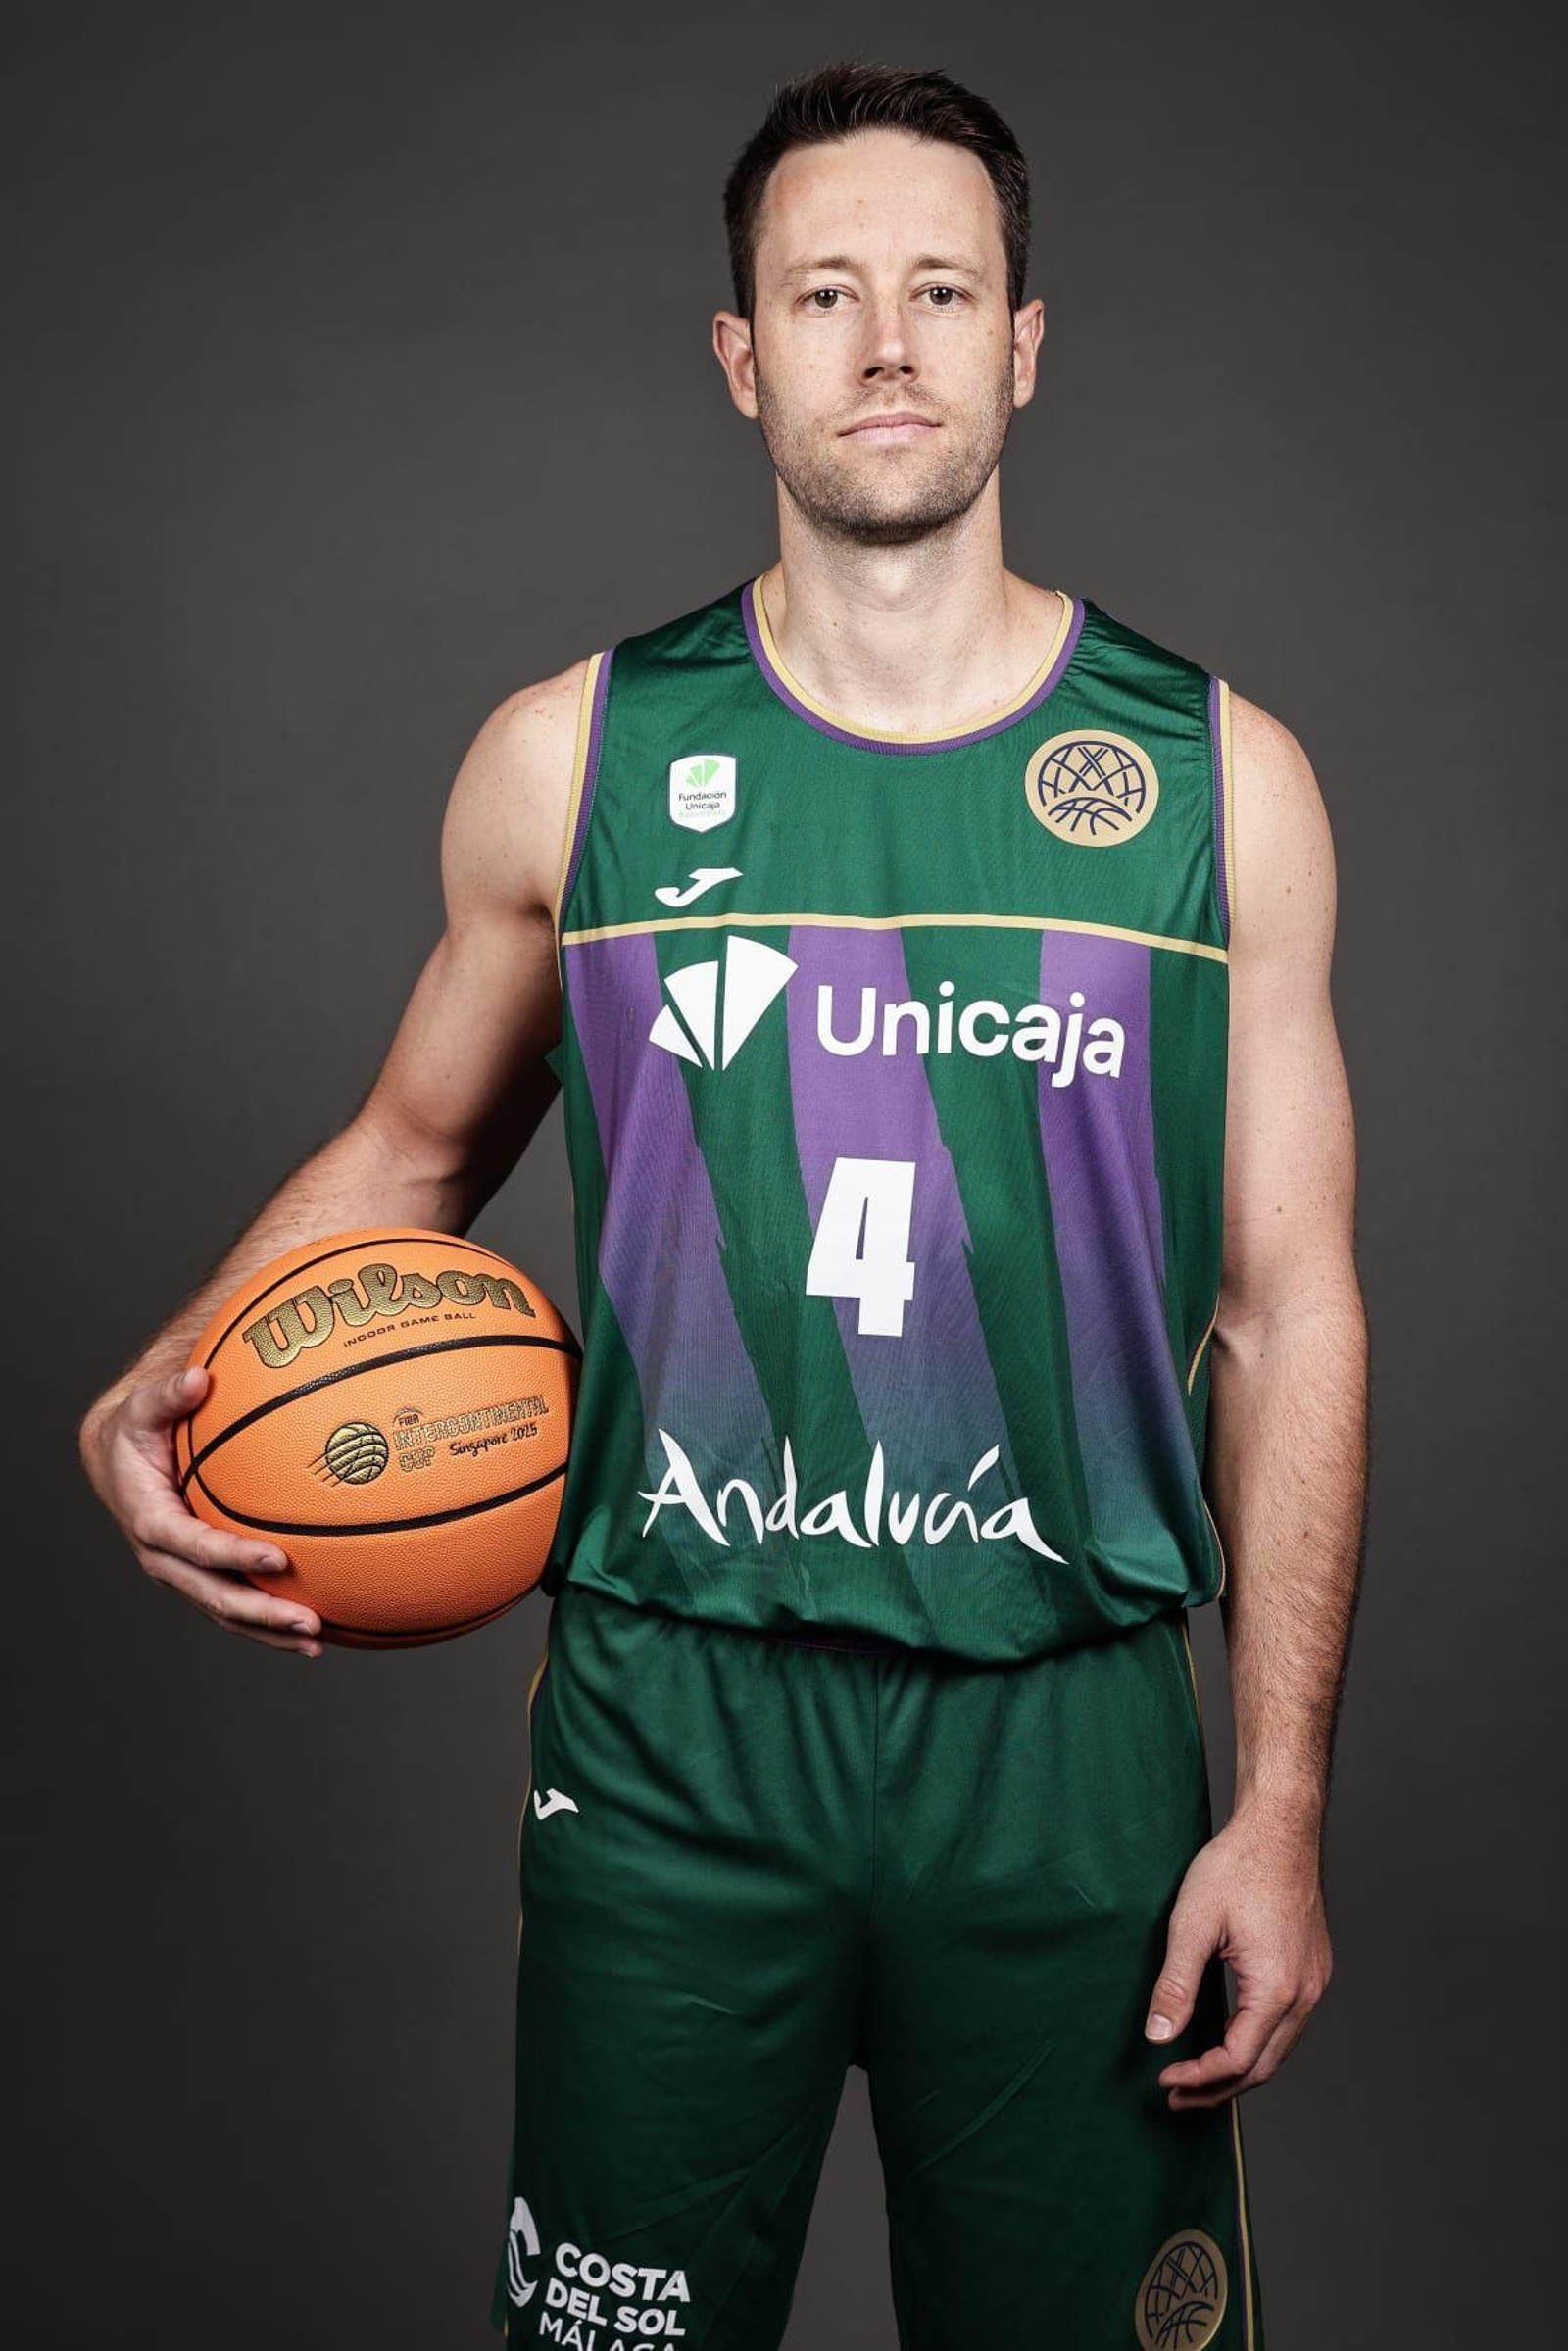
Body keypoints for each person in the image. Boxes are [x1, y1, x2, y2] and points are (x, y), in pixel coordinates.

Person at [78, 58, 1368, 2351]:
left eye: (940, 290)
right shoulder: (571, 757)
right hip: (675, 1728)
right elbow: (409, 1154)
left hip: (1064, 1745)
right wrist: (167, 1374)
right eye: (822, 291)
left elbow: (1288, 1313)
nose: (885, 342)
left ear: (1022, 343)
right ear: (737, 351)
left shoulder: (1213, 783)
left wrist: (1274, 1808)